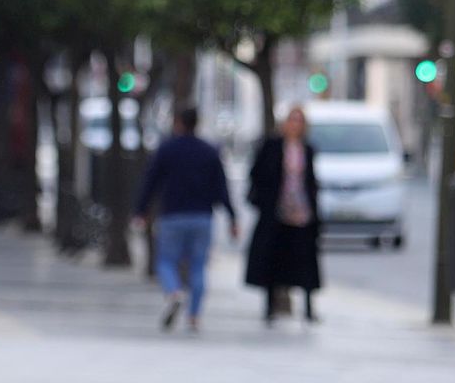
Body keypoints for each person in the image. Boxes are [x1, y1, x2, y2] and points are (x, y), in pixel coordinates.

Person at [132, 105, 238, 332]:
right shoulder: (209, 151)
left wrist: (141, 211)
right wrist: (232, 216)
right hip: (202, 216)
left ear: (178, 122)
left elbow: (150, 182)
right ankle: (194, 316)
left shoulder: (167, 149)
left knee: (166, 261)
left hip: (172, 214)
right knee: (198, 266)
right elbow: (222, 187)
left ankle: (173, 292)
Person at [245, 105, 322, 325]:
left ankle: (308, 308)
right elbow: (258, 174)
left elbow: (311, 181)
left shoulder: (307, 149)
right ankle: (270, 306)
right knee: (273, 260)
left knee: (304, 261)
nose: (295, 125)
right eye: (292, 120)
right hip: (276, 212)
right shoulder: (272, 146)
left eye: (299, 121)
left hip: (302, 213)